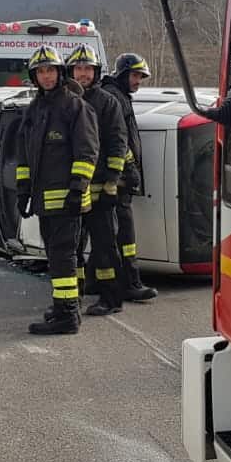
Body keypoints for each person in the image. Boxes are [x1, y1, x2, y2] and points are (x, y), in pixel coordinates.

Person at [15, 45, 100, 335]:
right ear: (34, 76)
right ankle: (64, 305)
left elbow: (87, 150)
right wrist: (22, 189)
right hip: (44, 201)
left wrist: (78, 188)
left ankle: (67, 317)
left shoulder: (74, 106)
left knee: (63, 256)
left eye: (51, 70)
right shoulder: (35, 109)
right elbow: (24, 154)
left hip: (68, 200)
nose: (47, 76)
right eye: (41, 71)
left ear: (60, 72)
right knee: (55, 256)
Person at [64, 44, 130, 315]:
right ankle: (74, 296)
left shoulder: (107, 102)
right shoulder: (64, 101)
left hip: (101, 187)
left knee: (105, 247)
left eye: (88, 69)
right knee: (74, 246)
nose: (83, 74)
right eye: (78, 69)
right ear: (70, 71)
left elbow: (118, 143)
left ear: (96, 71)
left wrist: (113, 181)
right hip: (72, 189)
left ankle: (111, 299)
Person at [101, 53, 158, 302]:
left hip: (118, 176)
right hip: (118, 178)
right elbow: (117, 140)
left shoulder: (118, 96)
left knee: (114, 230)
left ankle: (102, 280)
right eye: (135, 76)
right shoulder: (114, 98)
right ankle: (130, 282)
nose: (138, 81)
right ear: (123, 74)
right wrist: (130, 168)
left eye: (141, 77)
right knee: (124, 232)